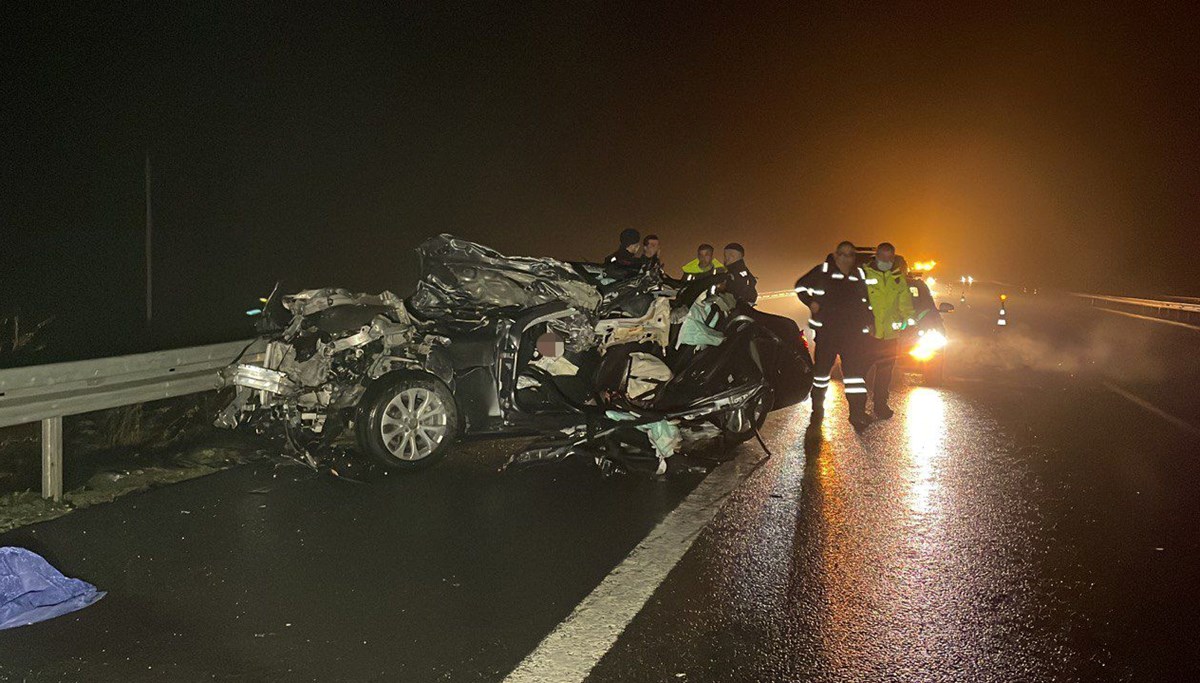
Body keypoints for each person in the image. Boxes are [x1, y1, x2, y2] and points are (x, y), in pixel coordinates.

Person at [795, 240, 875, 430]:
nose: (847, 258)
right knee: (821, 375)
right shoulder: (822, 271)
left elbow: (865, 301)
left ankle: (857, 414)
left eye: (850, 255)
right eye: (843, 254)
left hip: (853, 335)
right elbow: (800, 286)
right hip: (828, 333)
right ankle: (817, 410)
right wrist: (811, 302)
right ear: (836, 254)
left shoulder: (858, 273)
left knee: (855, 377)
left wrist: (870, 321)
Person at [864, 243, 917, 419]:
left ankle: (880, 405)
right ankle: (857, 408)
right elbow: (857, 302)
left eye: (889, 258)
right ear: (876, 256)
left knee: (885, 374)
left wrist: (911, 323)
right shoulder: (864, 274)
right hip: (868, 335)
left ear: (892, 258)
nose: (885, 261)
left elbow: (905, 303)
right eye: (882, 257)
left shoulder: (898, 278)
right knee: (860, 372)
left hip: (889, 336)